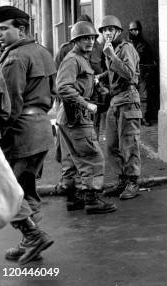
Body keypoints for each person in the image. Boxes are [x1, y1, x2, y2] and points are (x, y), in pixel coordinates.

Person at [0, 5, 56, 264]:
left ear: (21, 30)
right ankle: (30, 243)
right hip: (41, 130)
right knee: (26, 188)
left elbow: (9, 104)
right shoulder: (42, 51)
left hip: (21, 134)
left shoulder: (15, 58)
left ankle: (32, 237)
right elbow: (52, 94)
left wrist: (1, 134)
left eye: (3, 28)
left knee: (9, 189)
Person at [56, 21, 117, 215]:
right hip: (77, 116)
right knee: (92, 157)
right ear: (76, 40)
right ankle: (92, 200)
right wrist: (86, 103)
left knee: (75, 158)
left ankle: (74, 199)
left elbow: (79, 82)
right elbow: (64, 87)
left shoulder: (81, 58)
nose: (90, 42)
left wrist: (96, 85)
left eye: (92, 38)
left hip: (71, 116)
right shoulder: (73, 59)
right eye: (85, 38)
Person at [98, 15, 142, 200]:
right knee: (111, 146)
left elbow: (130, 74)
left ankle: (133, 181)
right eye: (104, 30)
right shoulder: (112, 49)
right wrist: (100, 78)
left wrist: (112, 56)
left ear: (118, 31)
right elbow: (113, 72)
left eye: (110, 29)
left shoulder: (126, 48)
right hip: (115, 100)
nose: (107, 33)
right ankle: (122, 179)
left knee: (129, 143)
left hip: (128, 98)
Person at [128, 20, 157, 126]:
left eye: (136, 30)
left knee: (144, 97)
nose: (135, 32)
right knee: (130, 97)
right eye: (132, 30)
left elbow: (150, 61)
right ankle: (133, 118)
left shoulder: (144, 45)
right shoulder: (126, 45)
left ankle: (143, 117)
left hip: (142, 74)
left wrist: (147, 71)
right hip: (130, 74)